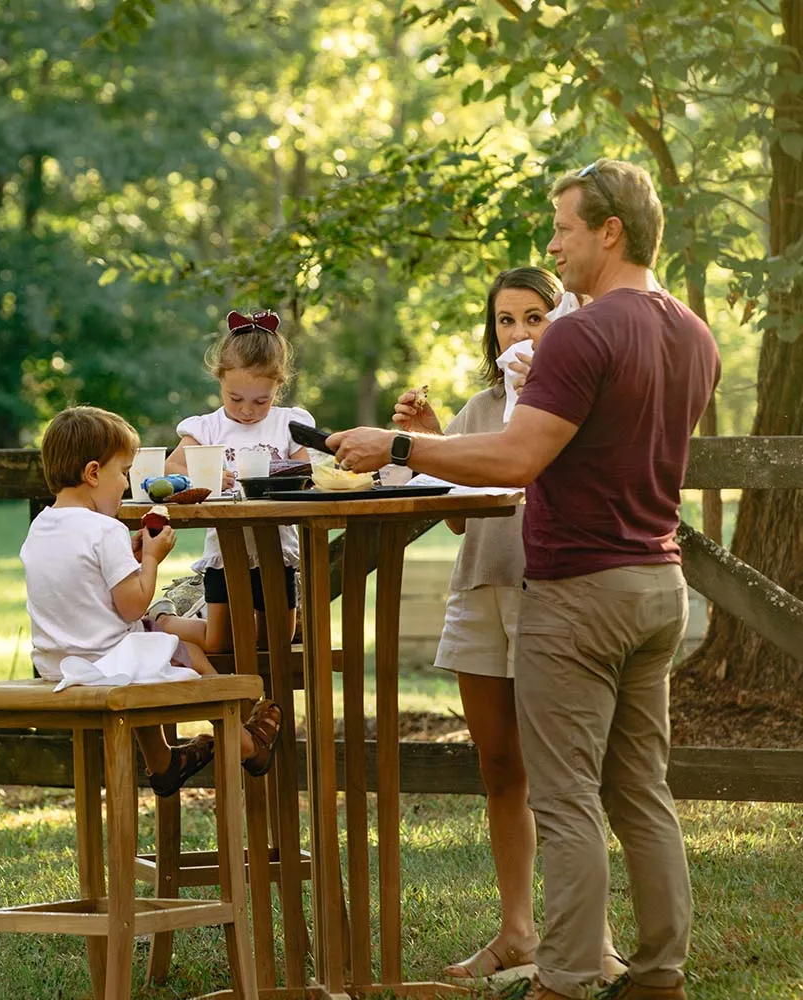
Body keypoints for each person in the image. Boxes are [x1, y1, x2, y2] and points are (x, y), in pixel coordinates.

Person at [328, 159, 720, 1000]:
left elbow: (518, 457)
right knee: (640, 792)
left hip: (579, 590)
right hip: (659, 584)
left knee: (567, 795)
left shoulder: (581, 333)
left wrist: (400, 447)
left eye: (565, 227)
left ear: (609, 231)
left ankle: (567, 979)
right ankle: (658, 976)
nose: (553, 243)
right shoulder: (694, 332)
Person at [394, 268, 624, 985]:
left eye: (534, 317)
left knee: (566, 775)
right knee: (500, 769)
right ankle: (518, 932)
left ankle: (595, 939)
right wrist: (433, 440)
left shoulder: (575, 398)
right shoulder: (482, 405)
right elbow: (459, 515)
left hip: (552, 594)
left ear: (565, 322)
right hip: (480, 589)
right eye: (504, 321)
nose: (518, 333)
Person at [20, 404, 284, 798]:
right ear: (93, 473)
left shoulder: (41, 525)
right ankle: (247, 743)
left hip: (56, 664)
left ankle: (163, 761)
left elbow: (86, 583)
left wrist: (128, 559)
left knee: (144, 643)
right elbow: (133, 605)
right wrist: (150, 559)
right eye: (122, 473)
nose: (126, 484)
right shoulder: (104, 528)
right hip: (103, 664)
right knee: (184, 650)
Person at [156, 309, 313, 653]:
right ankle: (161, 620)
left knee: (277, 638)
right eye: (235, 399)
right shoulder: (208, 428)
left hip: (277, 551)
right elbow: (170, 471)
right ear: (220, 382)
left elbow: (307, 476)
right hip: (225, 553)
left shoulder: (289, 424)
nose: (246, 411)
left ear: (278, 387)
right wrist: (205, 476)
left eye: (261, 400)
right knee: (219, 641)